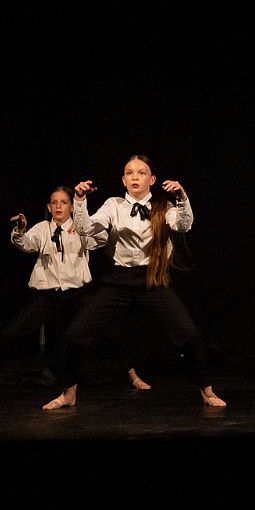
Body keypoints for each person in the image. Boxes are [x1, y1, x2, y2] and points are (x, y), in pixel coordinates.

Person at [44, 156, 225, 409]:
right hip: (119, 281)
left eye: (141, 173)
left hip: (152, 281)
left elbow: (184, 226)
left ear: (152, 179)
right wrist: (80, 200)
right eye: (129, 173)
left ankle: (206, 391)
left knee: (190, 334)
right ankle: (68, 393)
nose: (135, 177)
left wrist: (182, 198)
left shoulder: (163, 207)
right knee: (74, 335)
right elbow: (86, 228)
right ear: (123, 180)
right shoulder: (113, 205)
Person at [0, 187, 151, 393]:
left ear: (72, 207)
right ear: (49, 207)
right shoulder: (42, 229)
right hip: (48, 295)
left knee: (111, 330)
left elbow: (100, 240)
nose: (58, 206)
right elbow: (26, 244)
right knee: (11, 332)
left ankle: (133, 376)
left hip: (78, 293)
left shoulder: (80, 228)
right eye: (54, 202)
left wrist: (84, 229)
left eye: (63, 202)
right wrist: (20, 229)